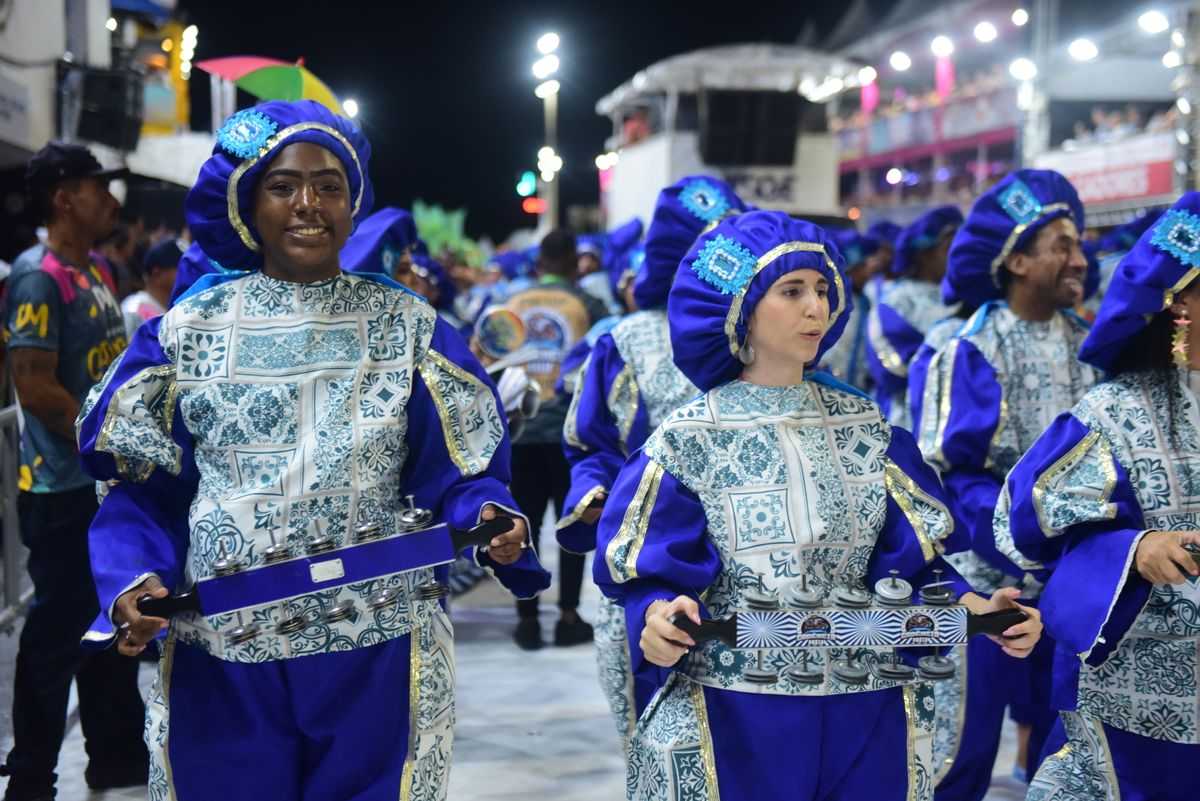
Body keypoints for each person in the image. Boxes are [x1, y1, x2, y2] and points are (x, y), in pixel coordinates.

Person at [74, 100, 547, 800]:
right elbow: (139, 485)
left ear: (352, 203)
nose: (308, 204)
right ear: (246, 205)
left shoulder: (409, 327)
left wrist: (494, 517)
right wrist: (134, 576)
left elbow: (463, 467)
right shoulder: (187, 331)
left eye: (329, 186)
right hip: (224, 652)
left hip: (378, 644)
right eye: (282, 185)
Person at [595, 210, 1042, 800]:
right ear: (741, 310)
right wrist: (656, 615)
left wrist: (977, 608)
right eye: (792, 291)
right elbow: (649, 574)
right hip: (738, 713)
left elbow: (911, 566)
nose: (817, 308)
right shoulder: (689, 437)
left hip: (871, 703)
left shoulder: (868, 428)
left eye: (824, 290)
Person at [997, 192, 1200, 800]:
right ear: (1180, 304)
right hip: (1137, 692)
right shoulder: (1115, 410)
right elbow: (1028, 520)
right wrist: (1136, 549)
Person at [917, 170, 1098, 800]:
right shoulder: (971, 348)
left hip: (1076, 587)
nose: (1080, 258)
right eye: (1062, 246)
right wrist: (1028, 544)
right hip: (981, 590)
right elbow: (949, 475)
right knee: (957, 755)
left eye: (1079, 244)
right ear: (1016, 259)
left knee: (1069, 752)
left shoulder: (1092, 346)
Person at [559, 176, 744, 744]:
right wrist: (593, 494)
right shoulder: (629, 341)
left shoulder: (768, 337)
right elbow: (593, 445)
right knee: (661, 738)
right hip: (656, 563)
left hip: (757, 578)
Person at [0, 141, 146, 801]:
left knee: (111, 625)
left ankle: (116, 760)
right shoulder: (39, 275)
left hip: (103, 485)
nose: (111, 200)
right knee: (55, 636)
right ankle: (30, 776)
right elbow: (34, 386)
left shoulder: (98, 271)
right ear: (64, 197)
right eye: (98, 187)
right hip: (62, 490)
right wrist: (105, 439)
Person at [504, 228, 608, 649]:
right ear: (571, 261)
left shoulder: (512, 304)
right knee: (573, 524)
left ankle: (527, 620)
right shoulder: (587, 303)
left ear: (541, 262)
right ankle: (568, 617)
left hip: (521, 431)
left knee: (522, 527)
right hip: (570, 434)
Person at [866, 206, 963, 425]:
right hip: (905, 418)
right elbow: (890, 369)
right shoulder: (895, 300)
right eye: (948, 247)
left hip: (954, 417)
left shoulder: (962, 297)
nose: (957, 254)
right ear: (924, 253)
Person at [121, 236, 182, 338]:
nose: (188, 273)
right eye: (180, 267)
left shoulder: (176, 308)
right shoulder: (134, 309)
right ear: (157, 273)